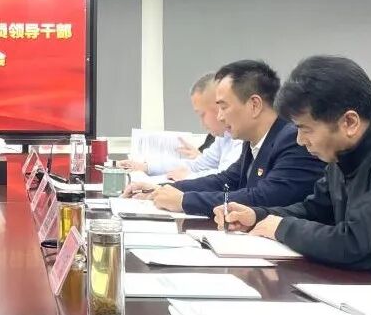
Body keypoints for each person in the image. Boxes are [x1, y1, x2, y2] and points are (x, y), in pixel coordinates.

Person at [222, 56, 371, 275]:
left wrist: (281, 227)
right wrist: (259, 216)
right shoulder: (344, 152)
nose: (300, 140)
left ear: (349, 122)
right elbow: (315, 210)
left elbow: (356, 245)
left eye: (305, 129)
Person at [124, 60, 323, 217]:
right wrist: (163, 189)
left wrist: (185, 201)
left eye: (224, 107)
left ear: (254, 105)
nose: (220, 117)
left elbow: (265, 197)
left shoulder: (293, 139)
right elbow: (227, 180)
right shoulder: (254, 140)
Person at [119, 72, 243, 180]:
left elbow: (227, 178)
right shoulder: (224, 137)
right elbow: (198, 165)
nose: (201, 123)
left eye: (202, 114)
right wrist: (146, 167)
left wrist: (188, 177)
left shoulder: (241, 136)